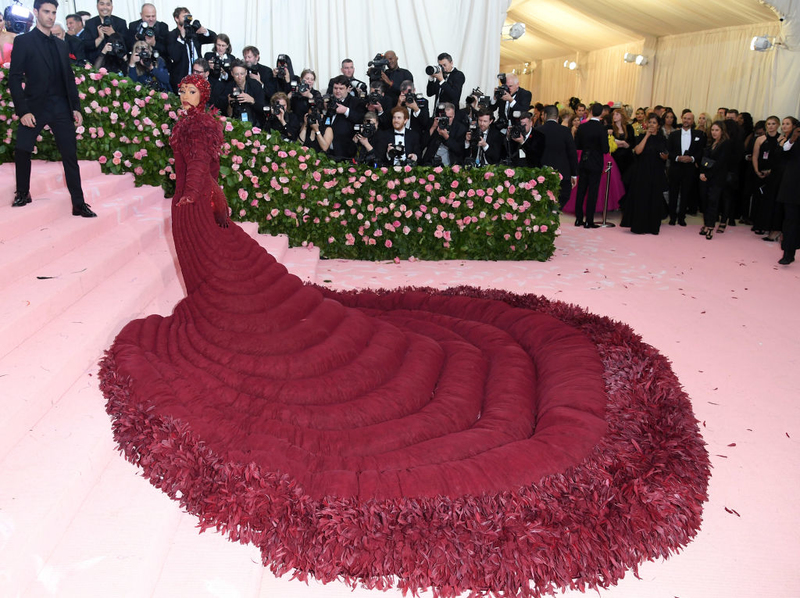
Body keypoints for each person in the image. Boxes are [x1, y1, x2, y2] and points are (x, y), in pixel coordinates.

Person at [9, 0, 95, 217]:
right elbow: (14, 77)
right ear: (36, 12)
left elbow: (68, 78)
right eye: (46, 11)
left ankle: (78, 203)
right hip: (34, 107)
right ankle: (22, 192)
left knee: (70, 155)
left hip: (60, 107)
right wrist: (23, 111)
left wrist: (75, 107)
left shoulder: (61, 45)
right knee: (22, 149)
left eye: (54, 12)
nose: (50, 16)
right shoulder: (23, 42)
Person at [620, 113, 668, 235]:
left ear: (658, 125)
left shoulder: (662, 139)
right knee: (641, 198)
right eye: (650, 122)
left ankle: (653, 226)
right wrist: (646, 136)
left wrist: (664, 156)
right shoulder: (641, 136)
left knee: (654, 198)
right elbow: (638, 151)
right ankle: (639, 226)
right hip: (642, 172)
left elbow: (666, 155)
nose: (651, 125)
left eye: (654, 123)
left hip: (656, 172)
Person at [574, 103, 610, 228]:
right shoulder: (602, 129)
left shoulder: (583, 127)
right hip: (595, 162)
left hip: (584, 160)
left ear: (590, 111)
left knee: (581, 191)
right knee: (592, 192)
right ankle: (589, 220)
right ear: (601, 113)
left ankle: (578, 219)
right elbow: (605, 149)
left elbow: (577, 145)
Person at [666, 111, 706, 226]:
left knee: (686, 193)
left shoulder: (699, 134)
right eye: (684, 118)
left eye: (689, 119)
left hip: (689, 169)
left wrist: (692, 158)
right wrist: (678, 157)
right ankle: (672, 217)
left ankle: (682, 217)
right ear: (681, 119)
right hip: (675, 167)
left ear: (693, 121)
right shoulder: (673, 135)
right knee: (673, 192)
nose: (686, 121)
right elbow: (668, 151)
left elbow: (701, 152)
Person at [537, 104, 578, 209]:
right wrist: (574, 174)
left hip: (541, 173)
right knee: (560, 201)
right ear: (557, 117)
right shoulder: (565, 131)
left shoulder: (537, 131)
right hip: (562, 173)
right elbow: (572, 154)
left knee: (542, 202)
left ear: (545, 116)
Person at [167, 7, 216, 93]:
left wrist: (204, 31)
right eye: (184, 16)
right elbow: (174, 56)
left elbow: (214, 38)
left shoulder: (193, 32)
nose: (187, 19)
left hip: (198, 77)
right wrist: (181, 38)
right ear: (176, 18)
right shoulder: (172, 35)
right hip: (182, 78)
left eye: (188, 16)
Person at [751, 116, 784, 240]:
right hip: (760, 173)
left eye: (773, 123)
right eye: (768, 124)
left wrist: (771, 171)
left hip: (774, 175)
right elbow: (755, 156)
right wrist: (756, 170)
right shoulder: (760, 139)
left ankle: (770, 226)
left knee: (771, 200)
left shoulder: (782, 139)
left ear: (778, 125)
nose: (770, 126)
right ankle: (758, 224)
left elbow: (781, 159)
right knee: (759, 199)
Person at [698, 122, 731, 239]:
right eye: (712, 130)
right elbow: (704, 159)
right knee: (705, 201)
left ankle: (710, 227)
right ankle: (706, 224)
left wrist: (707, 174)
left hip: (717, 178)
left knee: (713, 201)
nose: (714, 132)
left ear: (722, 131)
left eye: (717, 130)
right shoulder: (710, 143)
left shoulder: (725, 144)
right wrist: (702, 172)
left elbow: (720, 163)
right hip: (705, 177)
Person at [324, 75, 365, 161]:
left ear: (348, 89)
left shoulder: (356, 102)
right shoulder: (330, 102)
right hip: (328, 152)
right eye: (335, 88)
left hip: (346, 153)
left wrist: (346, 111)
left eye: (341, 88)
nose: (337, 91)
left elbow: (361, 118)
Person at [777, 120, 800, 265]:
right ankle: (788, 253)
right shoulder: (795, 136)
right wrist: (792, 139)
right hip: (793, 187)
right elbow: (783, 153)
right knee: (791, 221)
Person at [219, 60, 265, 127]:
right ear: (232, 73)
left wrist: (252, 100)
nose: (240, 77)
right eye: (236, 74)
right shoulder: (228, 88)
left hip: (255, 123)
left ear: (246, 72)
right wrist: (230, 104)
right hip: (236, 124)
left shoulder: (255, 85)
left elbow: (262, 108)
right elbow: (227, 115)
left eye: (242, 74)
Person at [422, 102, 466, 166]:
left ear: (454, 115)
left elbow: (459, 150)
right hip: (431, 162)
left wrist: (447, 137)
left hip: (450, 164)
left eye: (449, 117)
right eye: (445, 117)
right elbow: (423, 143)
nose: (447, 120)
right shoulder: (433, 123)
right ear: (440, 115)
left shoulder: (460, 128)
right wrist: (433, 127)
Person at [609, 108, 636, 180]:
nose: (614, 116)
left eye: (617, 114)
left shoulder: (629, 127)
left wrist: (625, 144)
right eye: (613, 114)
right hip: (615, 157)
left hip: (627, 158)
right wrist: (622, 143)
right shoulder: (610, 128)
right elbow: (610, 143)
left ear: (622, 116)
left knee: (626, 178)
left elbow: (632, 142)